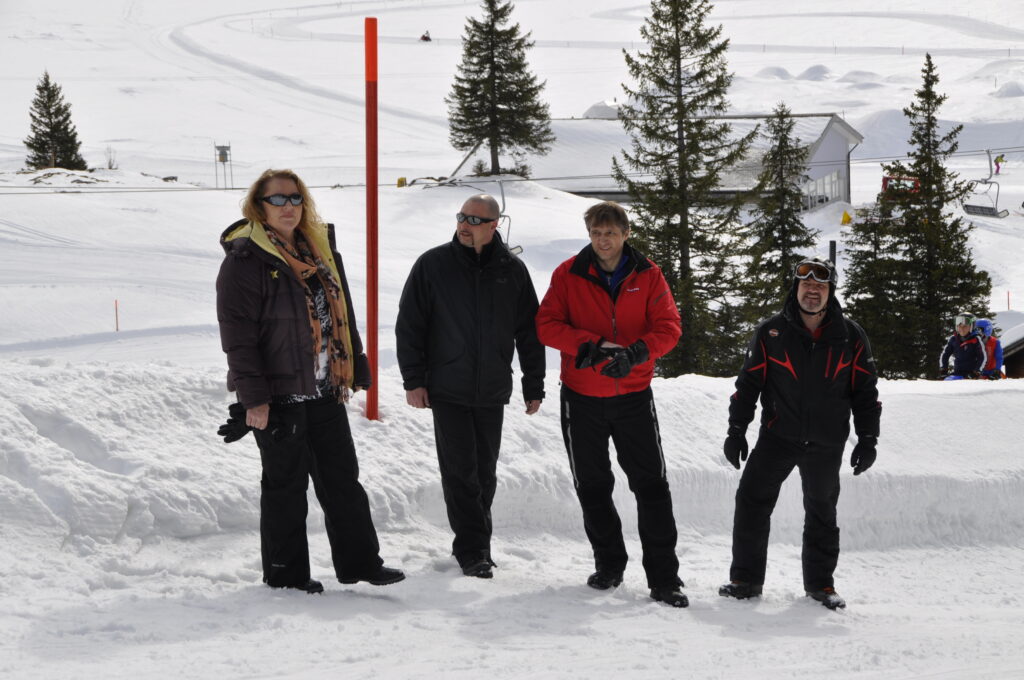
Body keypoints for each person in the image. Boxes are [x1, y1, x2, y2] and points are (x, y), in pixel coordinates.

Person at [216, 169, 404, 594]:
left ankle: (361, 563)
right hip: (280, 394)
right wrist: (254, 399)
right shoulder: (245, 261)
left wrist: (355, 363)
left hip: (324, 388)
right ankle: (287, 575)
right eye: (277, 200)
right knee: (285, 487)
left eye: (295, 198)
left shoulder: (317, 248)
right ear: (258, 206)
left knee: (342, 480)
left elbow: (341, 312)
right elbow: (238, 338)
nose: (288, 207)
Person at [535, 201, 688, 608]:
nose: (603, 241)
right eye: (596, 233)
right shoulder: (568, 274)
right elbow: (546, 324)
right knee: (593, 485)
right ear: (589, 234)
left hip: (633, 396)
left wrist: (638, 352)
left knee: (651, 486)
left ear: (625, 234)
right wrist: (586, 345)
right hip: (581, 397)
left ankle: (664, 578)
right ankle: (609, 565)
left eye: (610, 233)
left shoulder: (648, 275)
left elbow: (669, 327)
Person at [395, 194, 545, 579]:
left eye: (475, 220)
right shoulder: (433, 265)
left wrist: (534, 383)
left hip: (492, 387)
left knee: (485, 472)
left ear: (495, 225)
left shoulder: (512, 271)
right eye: (461, 216)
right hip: (447, 386)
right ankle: (473, 550)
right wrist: (414, 379)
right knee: (461, 471)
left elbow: (530, 332)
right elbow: (410, 325)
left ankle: (478, 544)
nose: (465, 224)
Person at [720, 257, 881, 610]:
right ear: (796, 289)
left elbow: (866, 392)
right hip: (778, 436)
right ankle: (745, 580)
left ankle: (821, 586)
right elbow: (747, 386)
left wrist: (869, 439)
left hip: (826, 441)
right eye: (806, 285)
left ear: (830, 291)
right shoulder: (771, 332)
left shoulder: (850, 336)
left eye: (820, 286)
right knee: (751, 502)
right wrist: (736, 431)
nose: (813, 291)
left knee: (822, 511)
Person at [940, 312, 986, 379]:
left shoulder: (976, 340)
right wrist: (943, 369)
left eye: (965, 326)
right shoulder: (953, 339)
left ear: (971, 327)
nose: (962, 329)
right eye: (959, 326)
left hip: (972, 374)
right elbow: (945, 354)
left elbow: (982, 357)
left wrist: (977, 372)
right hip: (957, 372)